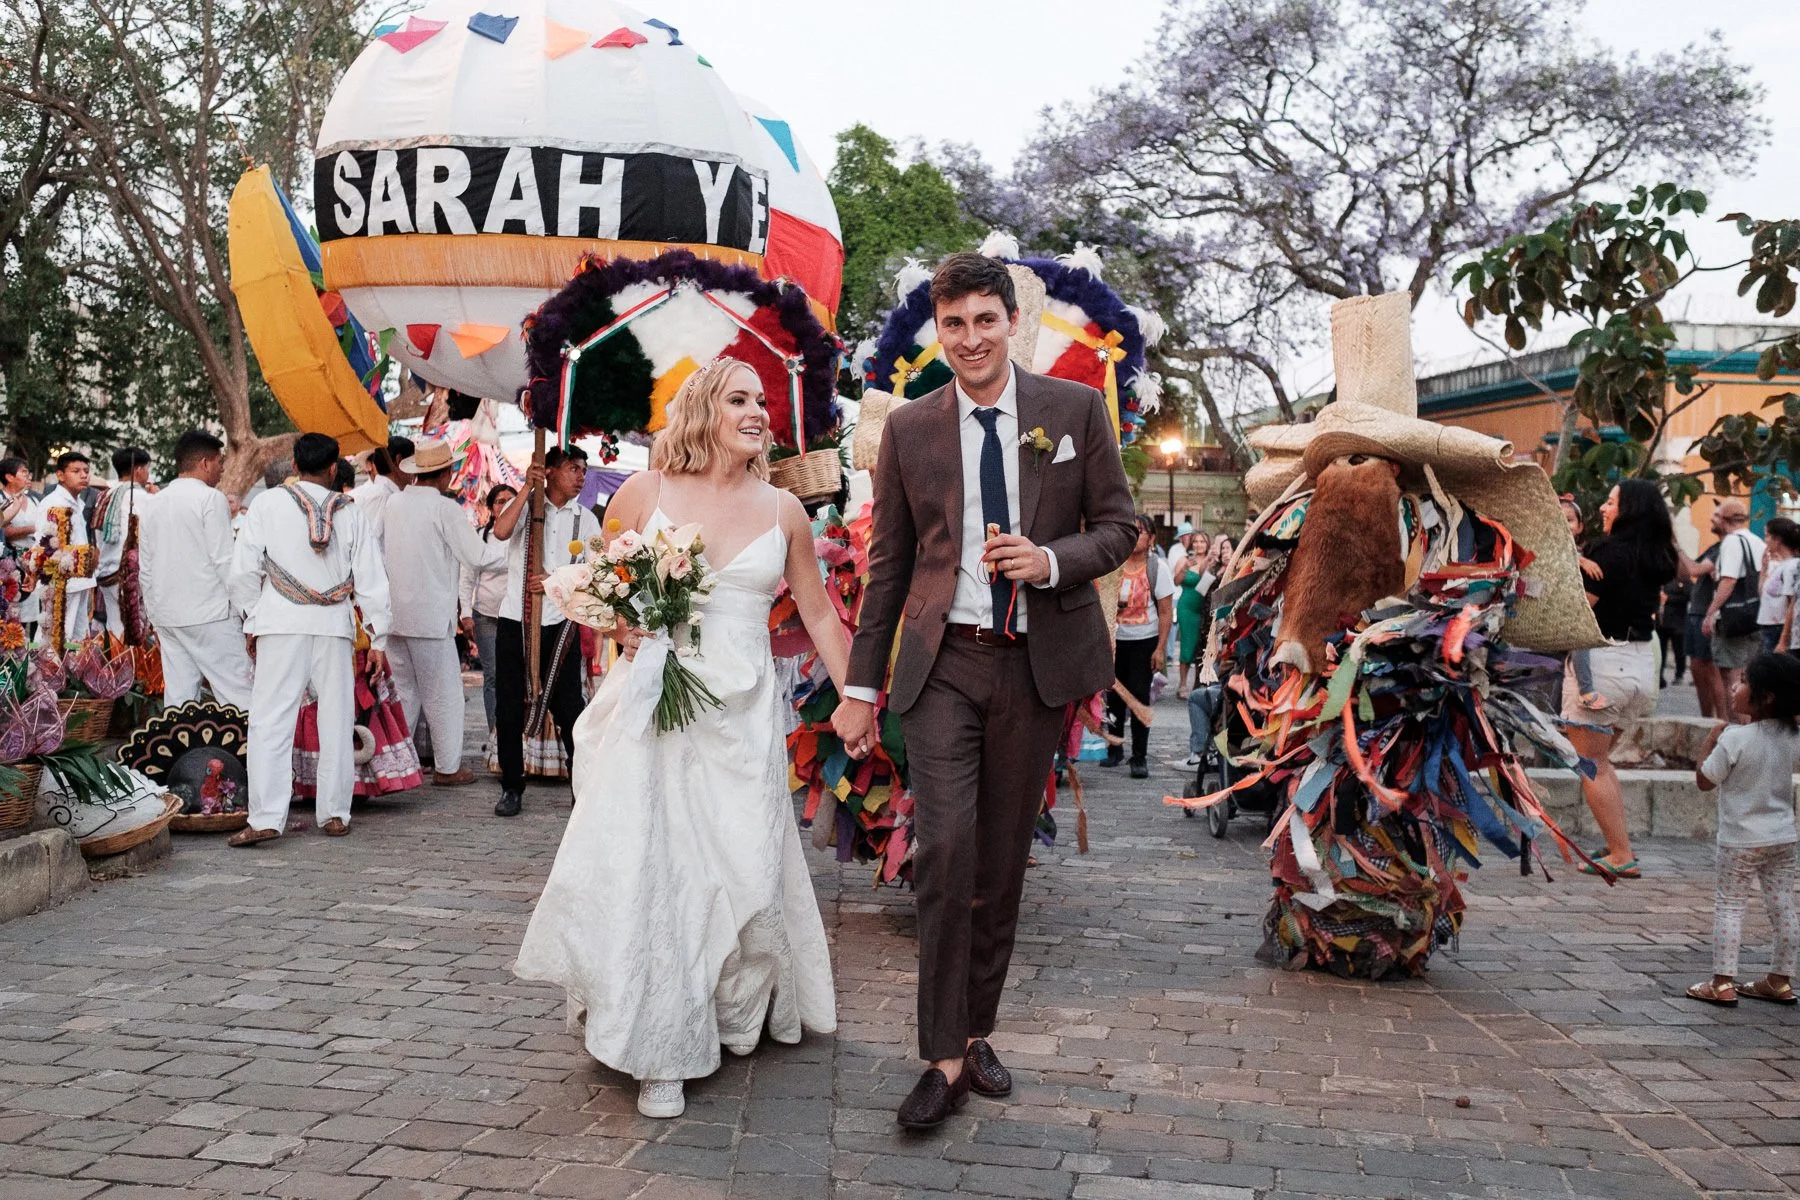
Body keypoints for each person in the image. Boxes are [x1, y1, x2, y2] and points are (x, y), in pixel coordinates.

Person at [831, 253, 1136, 1130]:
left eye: (984, 321)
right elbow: (888, 568)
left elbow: (1119, 527)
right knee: (945, 851)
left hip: (1035, 667)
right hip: (942, 667)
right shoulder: (912, 430)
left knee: (1000, 863)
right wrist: (859, 686)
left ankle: (977, 1031)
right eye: (953, 325)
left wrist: (1049, 561)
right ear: (941, 332)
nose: (969, 339)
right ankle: (940, 1057)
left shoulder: (1073, 412)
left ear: (1011, 323)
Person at [514, 358, 846, 1120]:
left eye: (762, 401)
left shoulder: (784, 510)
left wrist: (857, 697)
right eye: (739, 399)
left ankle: (731, 1008)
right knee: (652, 864)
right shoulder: (643, 493)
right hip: (652, 707)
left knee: (740, 863)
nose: (757, 411)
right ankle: (657, 1041)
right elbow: (600, 586)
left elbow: (819, 614)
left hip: (742, 709)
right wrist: (623, 629)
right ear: (702, 409)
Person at [227, 433, 391, 846]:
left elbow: (243, 571)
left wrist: (252, 618)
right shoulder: (349, 512)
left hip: (280, 623)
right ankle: (335, 813)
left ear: (295, 466)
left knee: (269, 720)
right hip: (334, 625)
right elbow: (371, 576)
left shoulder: (266, 504)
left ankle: (266, 818)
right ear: (334, 469)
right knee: (335, 719)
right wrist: (377, 635)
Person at [1567, 480, 1678, 879]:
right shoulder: (1658, 555)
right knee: (1602, 760)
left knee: (1592, 762)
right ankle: (1616, 843)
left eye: (1611, 502)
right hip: (1640, 666)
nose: (1603, 508)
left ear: (1627, 509)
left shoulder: (1607, 553)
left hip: (1603, 663)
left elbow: (1582, 611)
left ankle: (1620, 853)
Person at [381, 440, 506, 786]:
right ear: (447, 473)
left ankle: (395, 765)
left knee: (404, 692)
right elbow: (478, 557)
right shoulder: (444, 508)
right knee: (444, 694)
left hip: (395, 615)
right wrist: (514, 558)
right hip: (430, 616)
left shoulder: (394, 502)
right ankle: (448, 768)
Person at [1685, 651, 1800, 1007]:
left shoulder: (1735, 738)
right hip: (1783, 835)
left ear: (1765, 698)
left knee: (1730, 906)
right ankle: (1779, 979)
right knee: (1784, 906)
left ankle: (1722, 983)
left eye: (1745, 681)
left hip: (1739, 840)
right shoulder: (1792, 736)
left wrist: (1709, 743)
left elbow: (1706, 781)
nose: (1735, 686)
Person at [490, 444, 597, 817]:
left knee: (570, 708)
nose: (581, 476)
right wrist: (525, 489)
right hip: (515, 621)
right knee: (508, 705)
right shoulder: (528, 509)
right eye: (573, 468)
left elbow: (595, 572)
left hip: (559, 621)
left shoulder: (587, 519)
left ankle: (580, 783)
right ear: (550, 471)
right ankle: (511, 786)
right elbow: (501, 530)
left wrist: (556, 580)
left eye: (583, 469)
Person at [138, 432, 255, 710]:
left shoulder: (153, 503)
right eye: (220, 462)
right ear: (204, 463)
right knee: (239, 694)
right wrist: (248, 611)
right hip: (209, 614)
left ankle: (181, 753)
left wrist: (154, 613)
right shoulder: (210, 499)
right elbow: (224, 561)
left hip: (168, 614)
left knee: (179, 700)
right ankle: (249, 753)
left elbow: (146, 566)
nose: (222, 469)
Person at [1105, 515, 1176, 778]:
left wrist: (1160, 648)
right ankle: (1114, 749)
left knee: (1138, 696)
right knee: (1113, 697)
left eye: (1141, 531)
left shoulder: (1158, 568)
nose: (1135, 536)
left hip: (1143, 641)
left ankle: (1139, 756)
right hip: (1114, 640)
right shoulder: (1113, 566)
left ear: (1152, 538)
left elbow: (1166, 613)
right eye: (1131, 531)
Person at [1700, 498, 1765, 718]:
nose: (1713, 519)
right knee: (1748, 677)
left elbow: (1728, 580)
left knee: (1732, 679)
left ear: (1725, 520)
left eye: (1717, 515)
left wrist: (1710, 613)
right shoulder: (1757, 541)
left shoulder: (1731, 542)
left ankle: (1737, 729)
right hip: (1754, 618)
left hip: (1733, 619)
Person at [462, 483, 516, 743]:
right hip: (486, 615)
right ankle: (496, 736)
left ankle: (516, 733)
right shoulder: (480, 537)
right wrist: (465, 613)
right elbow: (467, 577)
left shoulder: (526, 534)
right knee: (493, 675)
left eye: (510, 499)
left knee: (517, 675)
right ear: (492, 509)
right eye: (499, 501)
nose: (505, 504)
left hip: (517, 615)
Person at [35, 451, 98, 647]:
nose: (83, 475)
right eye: (76, 471)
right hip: (60, 582)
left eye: (86, 471)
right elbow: (45, 546)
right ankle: (44, 676)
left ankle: (71, 676)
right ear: (60, 475)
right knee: (54, 638)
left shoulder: (78, 503)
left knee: (77, 637)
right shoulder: (53, 503)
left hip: (79, 580)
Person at [93, 446, 155, 641]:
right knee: (135, 630)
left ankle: (114, 667)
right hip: (132, 574)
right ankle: (131, 669)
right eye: (147, 469)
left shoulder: (104, 497)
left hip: (106, 571)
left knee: (114, 625)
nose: (147, 473)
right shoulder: (144, 499)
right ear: (138, 470)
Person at [348, 436, 414, 547]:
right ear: (399, 460)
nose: (414, 471)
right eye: (413, 461)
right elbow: (371, 547)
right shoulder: (384, 497)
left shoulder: (365, 494)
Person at [1685, 541, 1725, 719]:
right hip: (1696, 612)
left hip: (1706, 613)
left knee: (1711, 669)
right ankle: (1706, 719)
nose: (1713, 518)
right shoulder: (1713, 546)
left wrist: (1675, 544)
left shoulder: (1726, 546)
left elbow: (1694, 570)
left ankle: (1721, 721)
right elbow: (1687, 569)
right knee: (1697, 668)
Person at [2, 457, 42, 629]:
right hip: (9, 561)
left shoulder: (34, 500)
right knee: (10, 610)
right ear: (9, 477)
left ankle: (27, 649)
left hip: (31, 562)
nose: (28, 476)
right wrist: (33, 528)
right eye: (24, 472)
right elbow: (4, 531)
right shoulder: (3, 499)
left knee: (31, 613)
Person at [1174, 529, 1212, 699]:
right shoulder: (1184, 559)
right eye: (1195, 541)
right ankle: (1182, 684)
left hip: (1204, 609)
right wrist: (1185, 568)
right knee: (1187, 645)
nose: (1199, 545)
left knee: (1201, 645)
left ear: (1207, 544)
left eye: (1202, 541)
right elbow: (1176, 581)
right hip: (1187, 607)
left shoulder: (1211, 561)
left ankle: (1200, 682)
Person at [1757, 517, 1799, 652]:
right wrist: (1763, 570)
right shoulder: (1781, 566)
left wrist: (1783, 639)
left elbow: (1792, 603)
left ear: (1777, 540)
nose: (1766, 540)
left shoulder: (1791, 567)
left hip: (1778, 627)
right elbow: (1763, 594)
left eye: (1767, 536)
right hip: (1769, 626)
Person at [1659, 577, 1690, 687]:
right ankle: (1659, 674)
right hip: (1662, 621)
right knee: (1660, 650)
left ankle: (1679, 674)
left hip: (1677, 622)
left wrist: (1668, 598)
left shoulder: (1683, 579)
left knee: (1679, 650)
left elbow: (1687, 596)